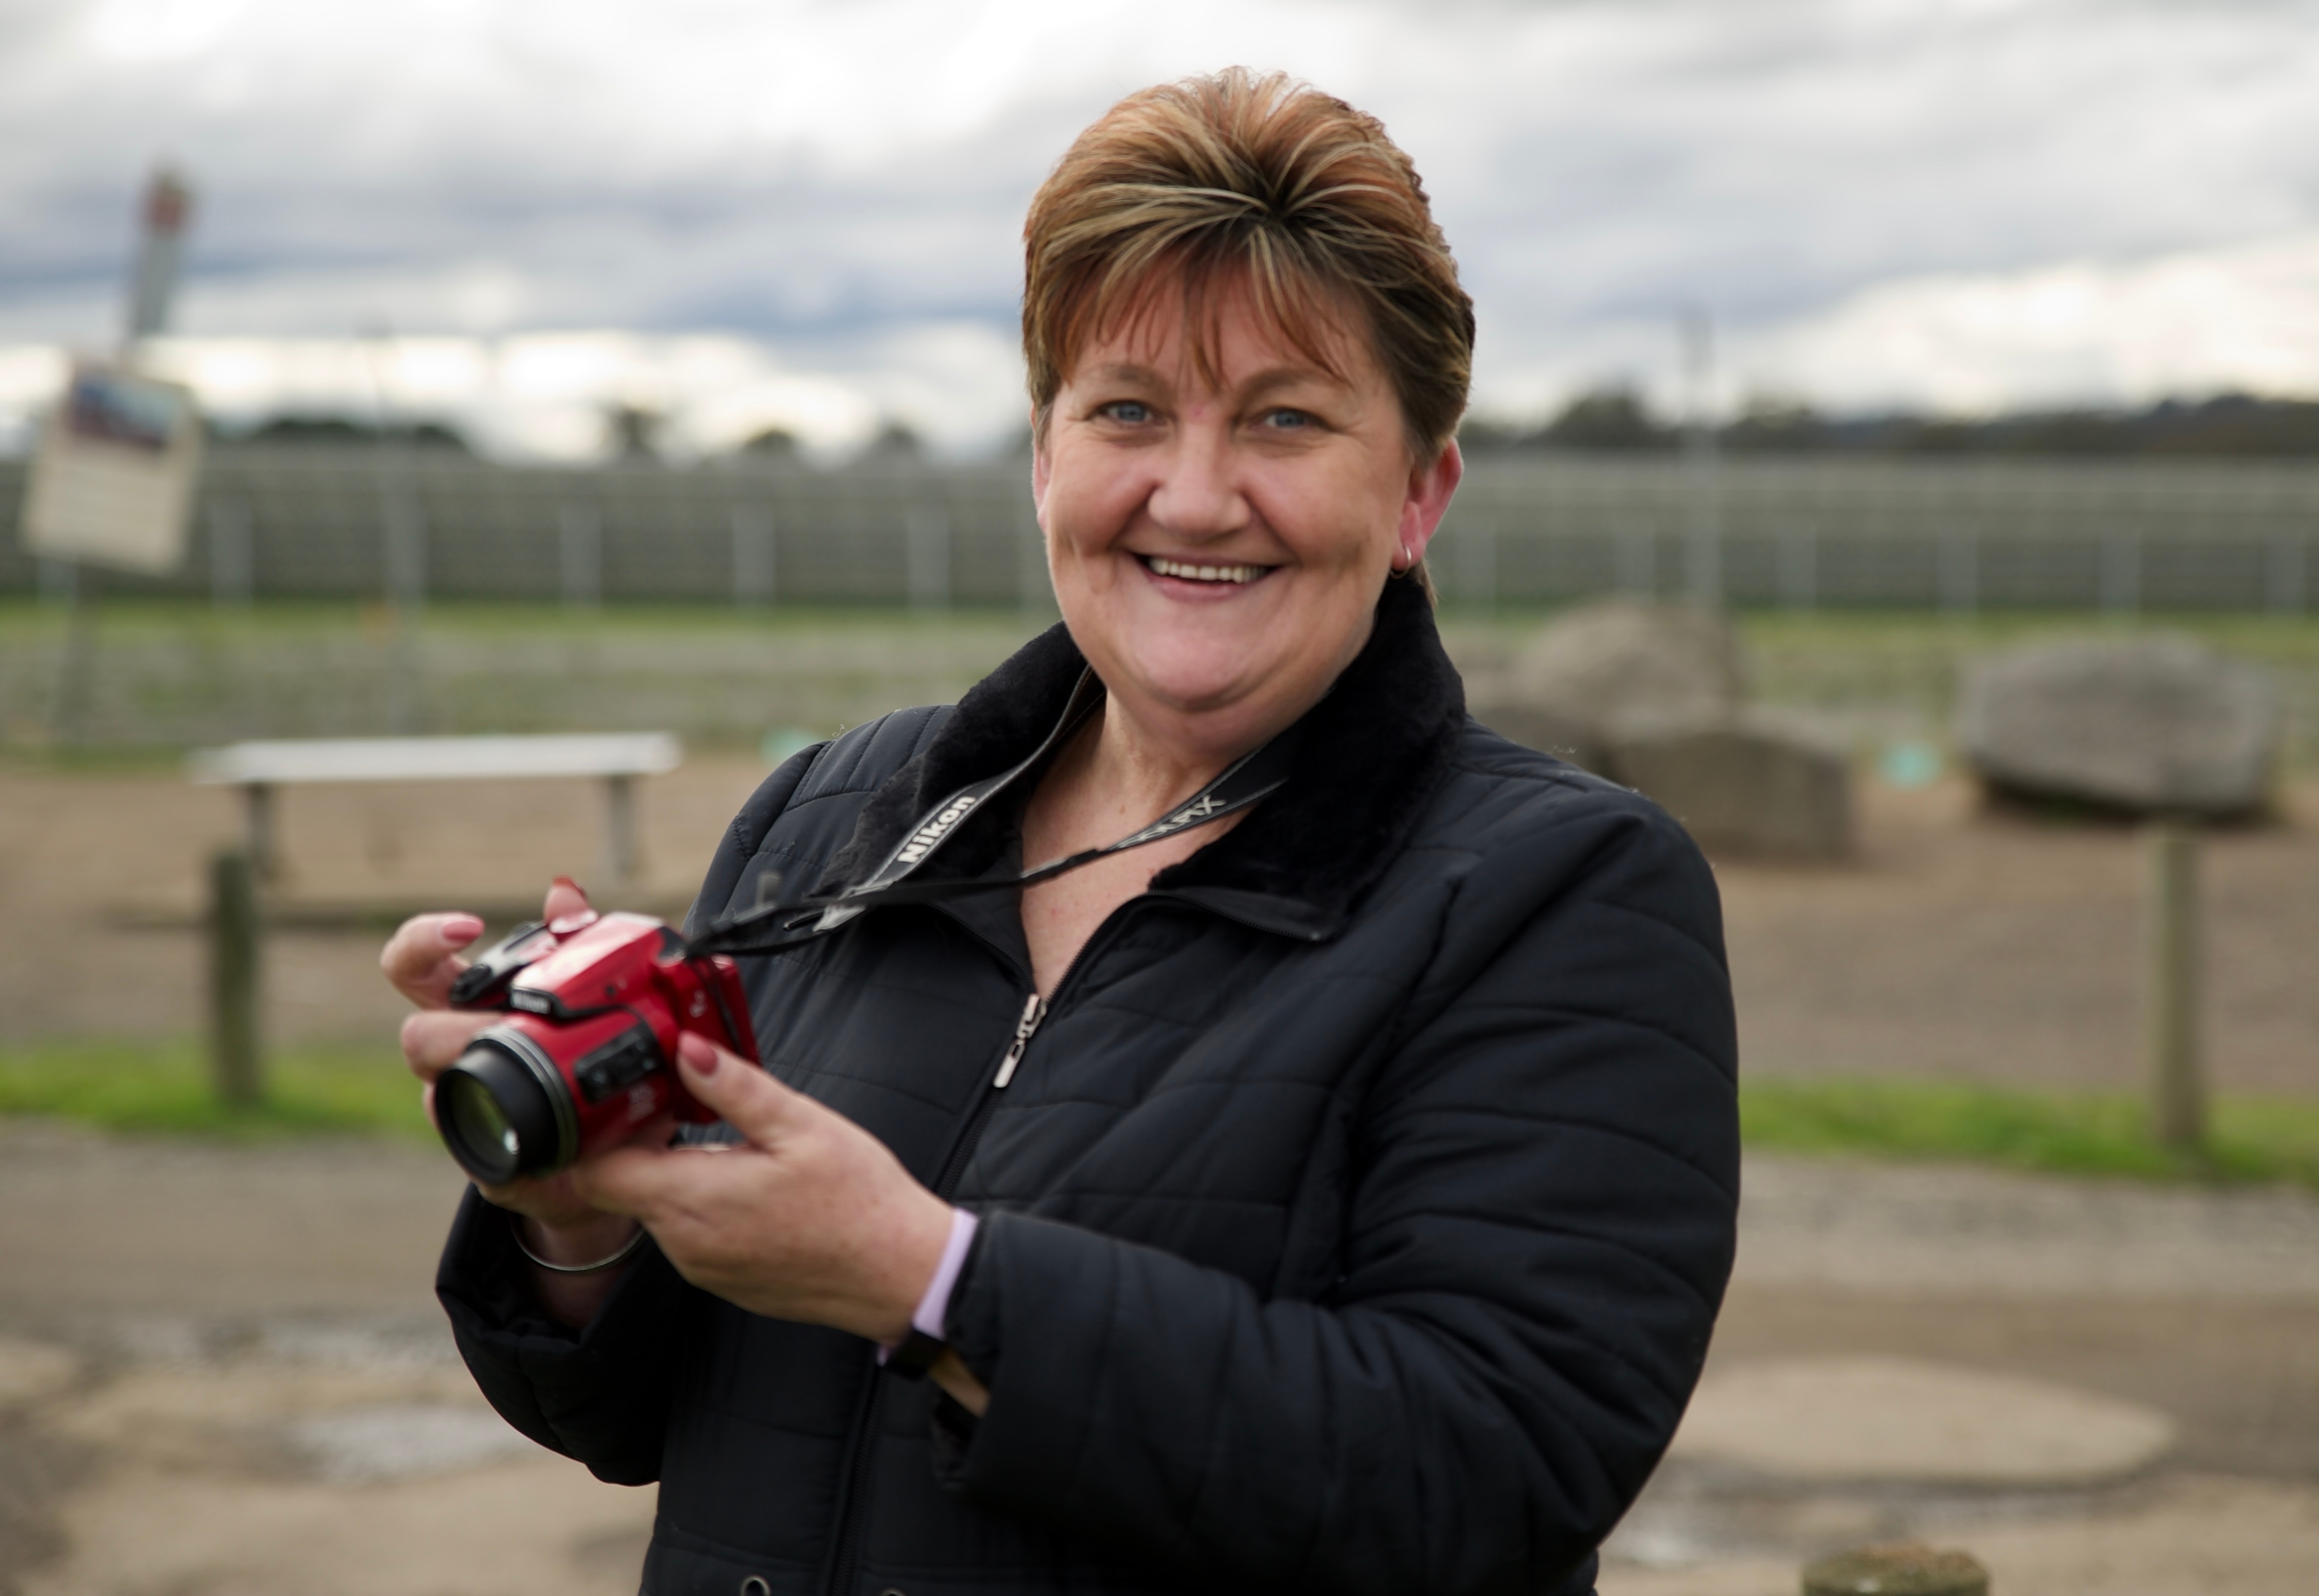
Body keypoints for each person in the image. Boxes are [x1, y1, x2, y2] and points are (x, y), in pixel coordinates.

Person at [384, 67, 1737, 1596]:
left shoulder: (1558, 892)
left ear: (1420, 492)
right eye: (1128, 411)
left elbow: (1486, 1471)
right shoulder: (835, 817)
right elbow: (637, 1417)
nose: (1195, 493)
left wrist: (931, 1282)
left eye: (1285, 418)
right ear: (1045, 456)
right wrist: (572, 1224)